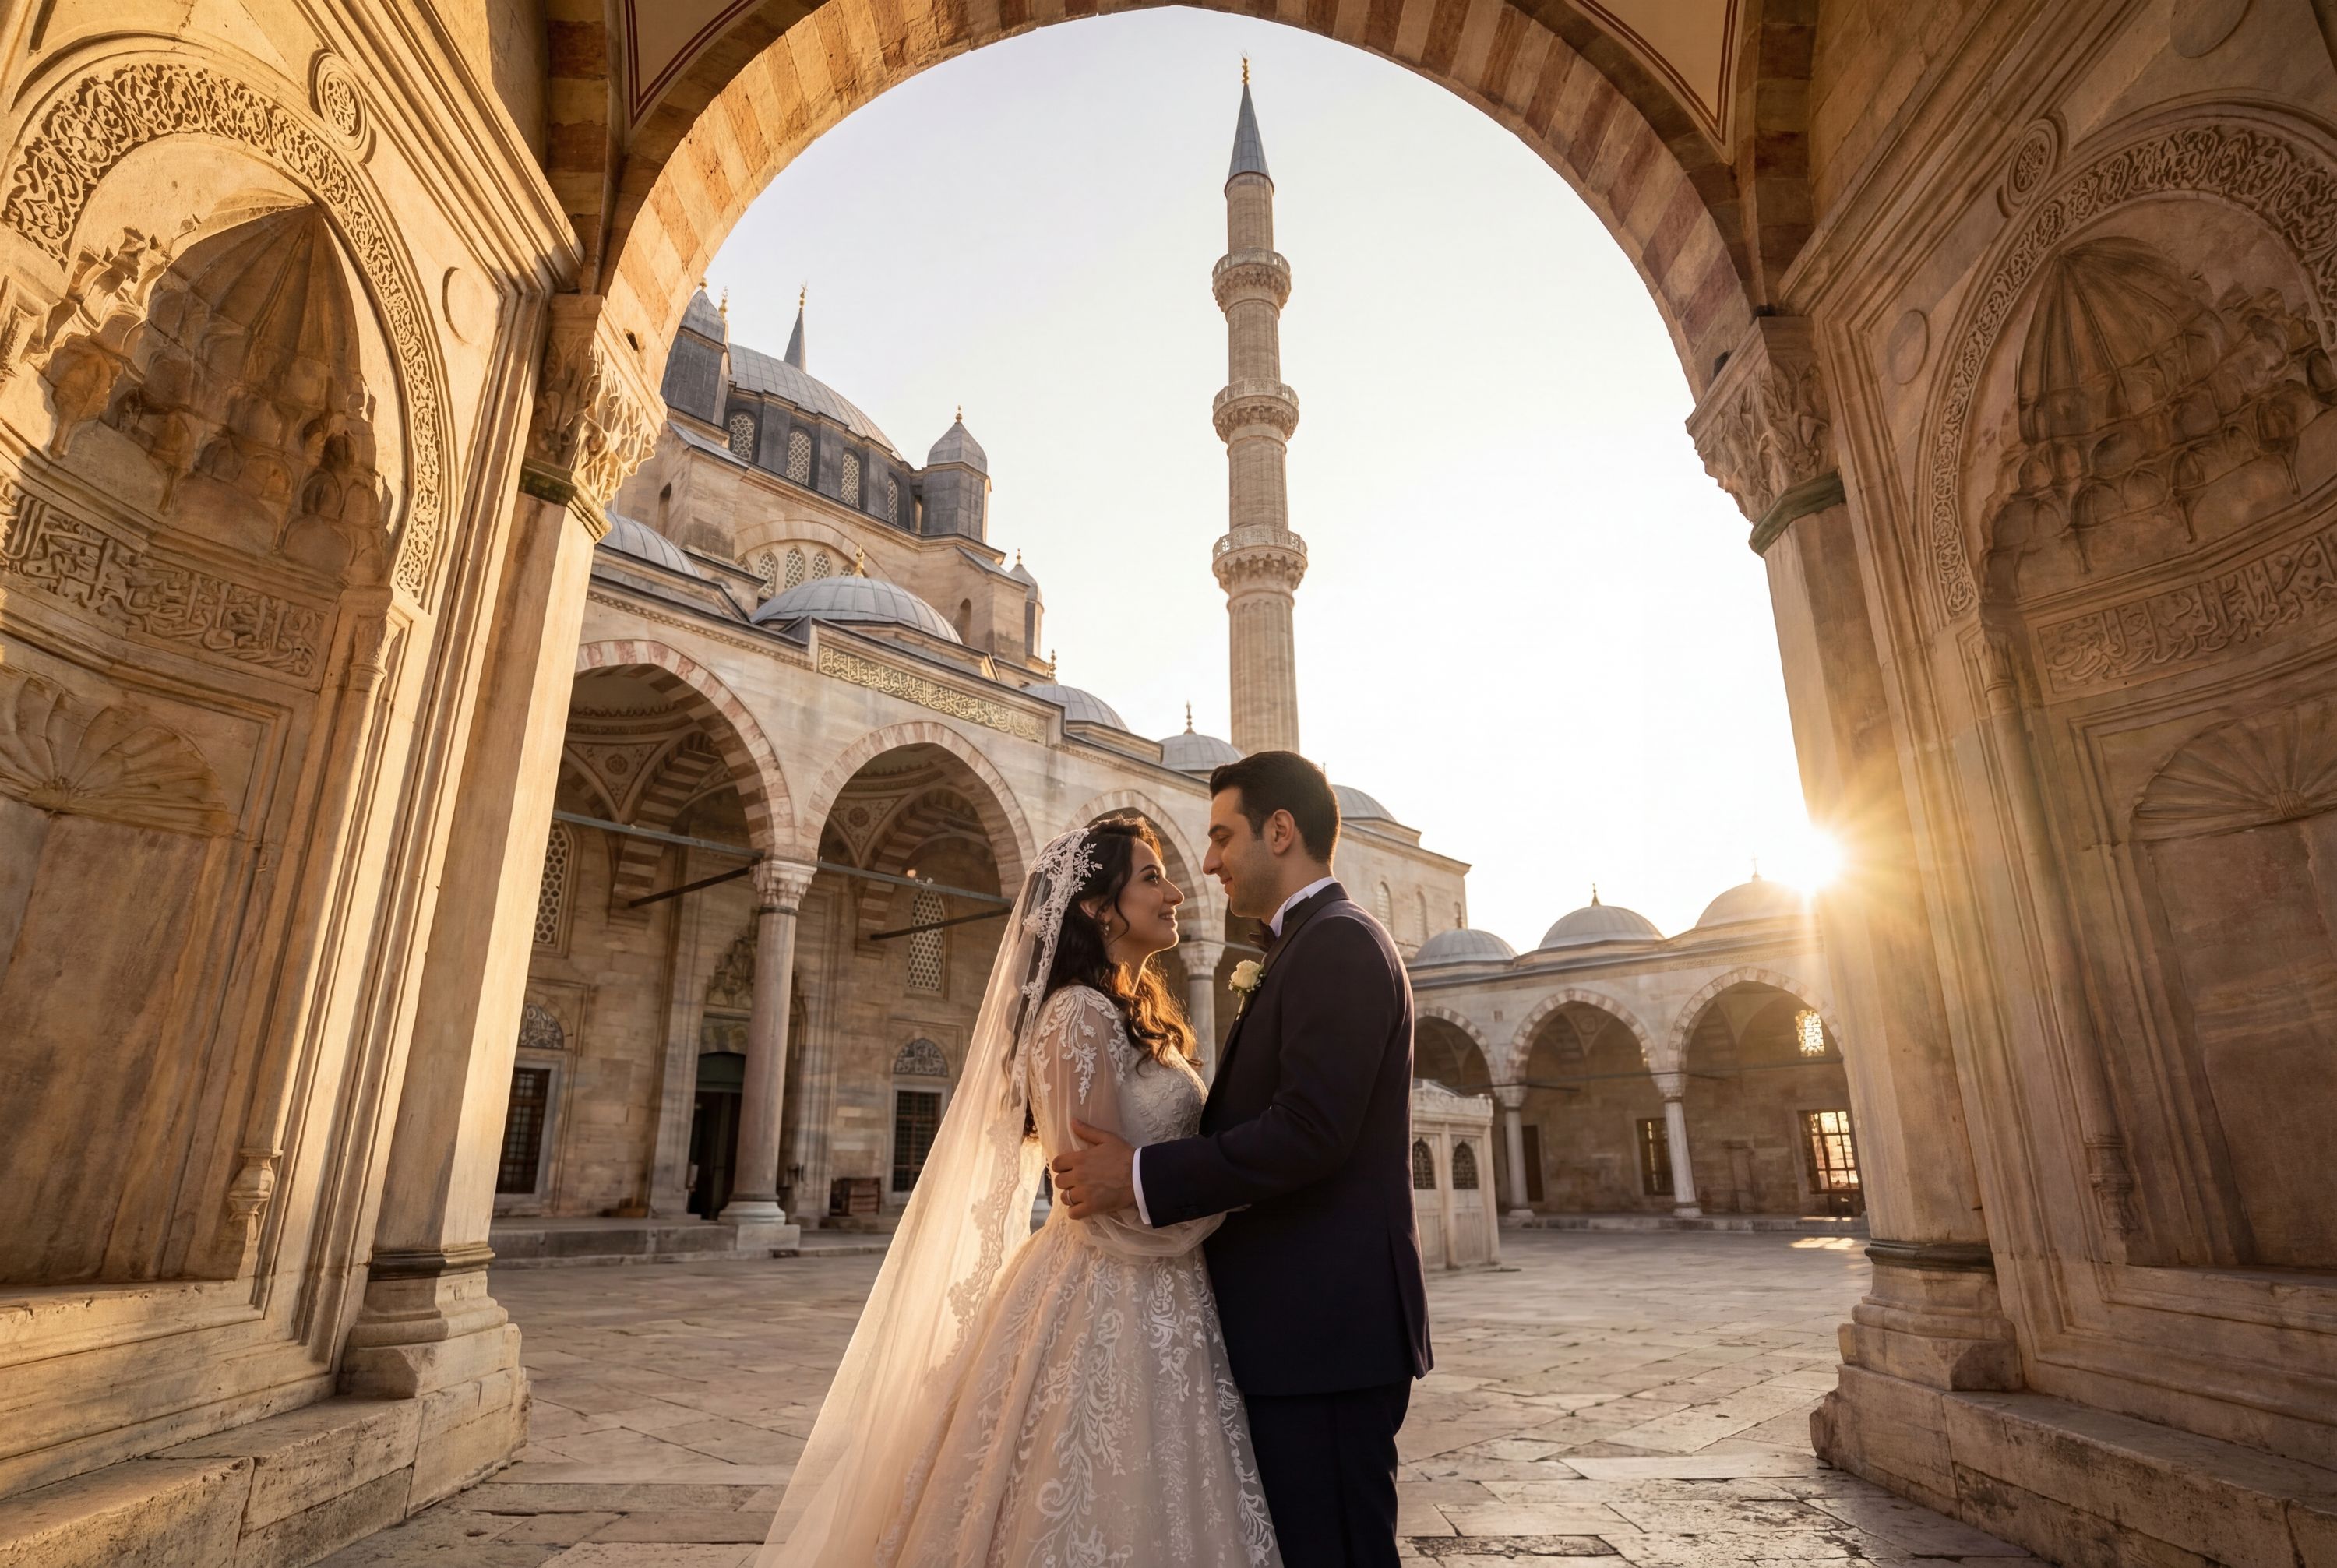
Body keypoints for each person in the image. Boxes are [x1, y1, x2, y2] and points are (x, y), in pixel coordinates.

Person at [760, 819, 1280, 1567]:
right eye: (1150, 878)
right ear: (1100, 908)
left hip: (1161, 1294)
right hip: (1111, 1292)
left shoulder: (1123, 1011)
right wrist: (1230, 1197)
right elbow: (1095, 1201)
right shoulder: (1076, 1013)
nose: (1174, 893)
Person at [1052, 751, 1430, 1568]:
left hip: (1321, 1335)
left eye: (1223, 837)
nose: (1209, 862)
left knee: (1336, 1547)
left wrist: (1142, 1176)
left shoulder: (1337, 944)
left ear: (1281, 831)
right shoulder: (1310, 944)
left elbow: (1309, 1131)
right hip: (1297, 1333)